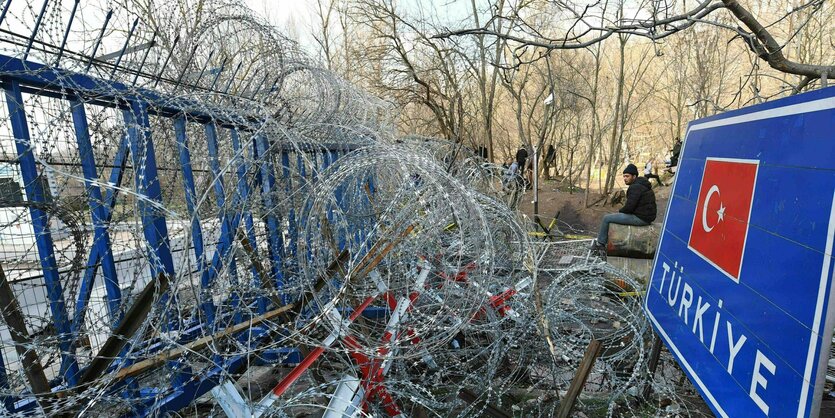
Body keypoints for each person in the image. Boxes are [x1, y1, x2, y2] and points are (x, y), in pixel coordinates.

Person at [593, 164, 657, 250]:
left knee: (606, 218)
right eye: (624, 176)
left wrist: (621, 211)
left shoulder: (635, 187)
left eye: (627, 176)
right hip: (647, 217)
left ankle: (600, 244)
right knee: (613, 216)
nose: (625, 178)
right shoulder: (642, 185)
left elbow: (629, 208)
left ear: (634, 176)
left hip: (641, 218)